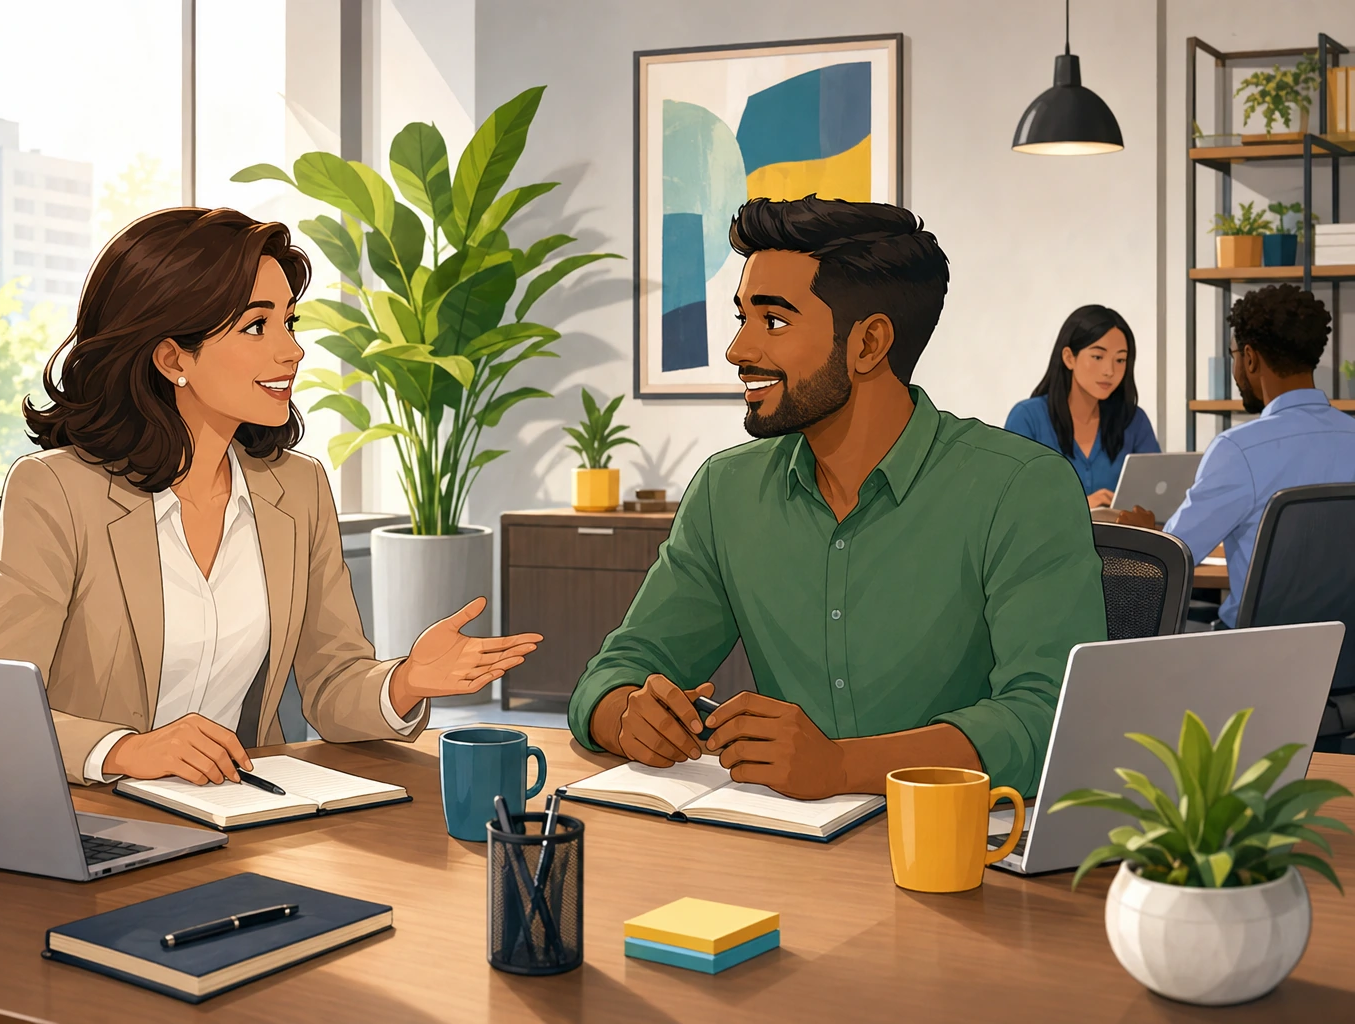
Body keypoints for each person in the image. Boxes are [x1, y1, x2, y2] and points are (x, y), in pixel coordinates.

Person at [0, 208, 543, 785]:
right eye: (256, 326)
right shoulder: (58, 490)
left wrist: (406, 680)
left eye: (289, 322)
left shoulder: (297, 488)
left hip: (245, 813)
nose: (291, 351)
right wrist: (123, 751)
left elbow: (332, 683)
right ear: (172, 358)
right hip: (97, 815)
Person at [567, 196, 1106, 799]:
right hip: (782, 852)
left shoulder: (1021, 488)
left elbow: (1047, 720)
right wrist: (625, 716)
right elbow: (621, 667)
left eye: (773, 322)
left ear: (869, 344)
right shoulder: (727, 491)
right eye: (741, 318)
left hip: (964, 859)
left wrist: (842, 768)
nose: (738, 351)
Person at [1117, 284, 1355, 626]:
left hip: (1259, 661)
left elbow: (1171, 559)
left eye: (1234, 356)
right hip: (1344, 654)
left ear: (1250, 357)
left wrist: (1145, 535)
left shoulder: (1239, 450)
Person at [1004, 305, 1160, 509]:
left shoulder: (1133, 420)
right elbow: (1011, 503)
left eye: (1120, 360)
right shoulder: (1027, 418)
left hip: (1123, 540)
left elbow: (1158, 498)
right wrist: (1081, 505)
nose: (1109, 371)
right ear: (1069, 357)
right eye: (1098, 357)